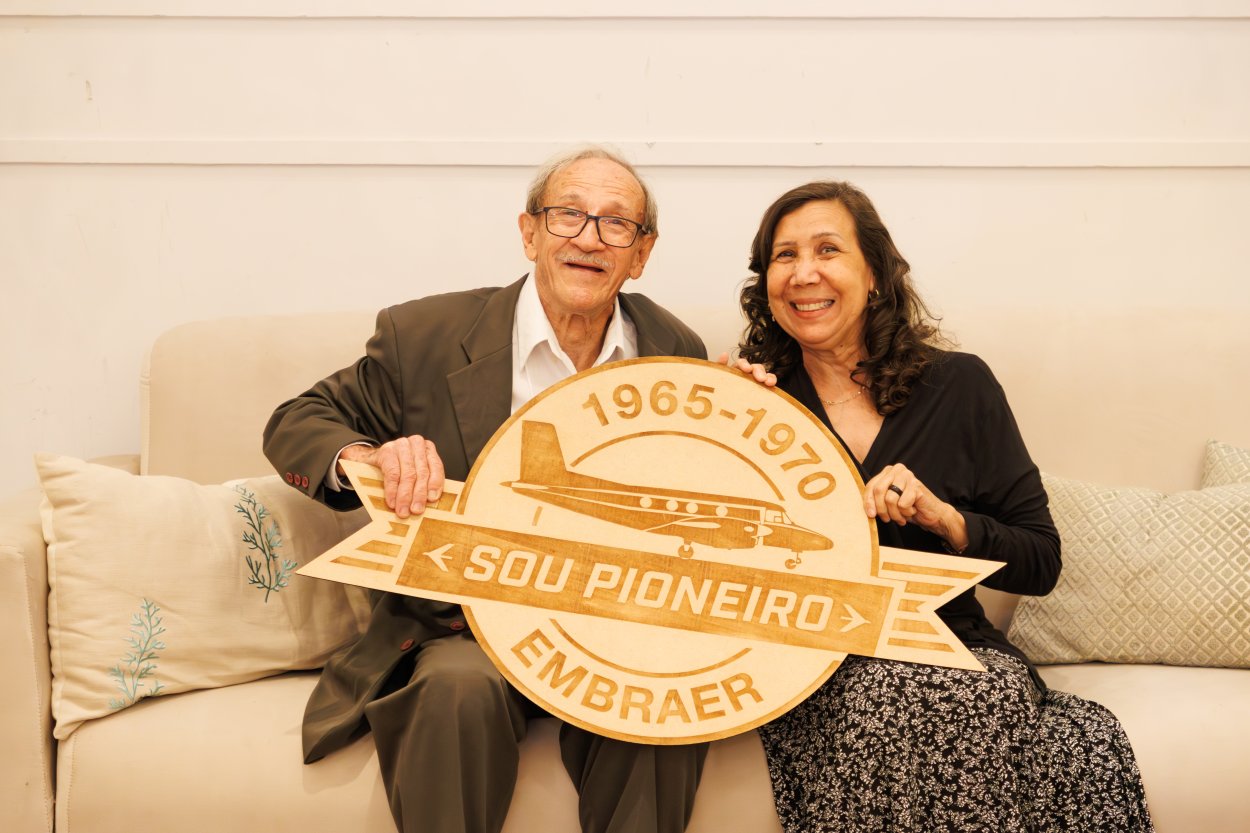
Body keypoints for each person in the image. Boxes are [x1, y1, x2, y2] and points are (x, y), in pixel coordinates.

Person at [263, 146, 709, 833]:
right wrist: (370, 456)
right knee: (457, 688)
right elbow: (297, 422)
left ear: (641, 254)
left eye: (617, 223)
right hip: (465, 627)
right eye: (568, 214)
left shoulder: (677, 351)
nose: (590, 237)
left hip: (611, 630)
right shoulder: (424, 336)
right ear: (529, 233)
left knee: (659, 711)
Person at [728, 181, 1153, 832]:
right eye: (785, 256)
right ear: (767, 285)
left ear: (874, 273)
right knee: (892, 701)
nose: (804, 272)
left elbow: (1041, 560)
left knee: (998, 707)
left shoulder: (960, 386)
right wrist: (719, 429)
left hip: (954, 645)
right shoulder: (752, 403)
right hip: (815, 663)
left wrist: (946, 518)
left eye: (827, 249)